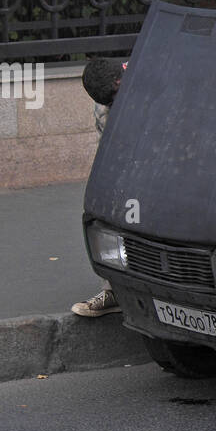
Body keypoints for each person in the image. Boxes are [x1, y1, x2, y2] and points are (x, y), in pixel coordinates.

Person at [72, 58, 126, 318]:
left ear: (119, 80)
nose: (111, 106)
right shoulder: (104, 108)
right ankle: (113, 289)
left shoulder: (153, 73)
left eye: (114, 99)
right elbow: (109, 155)